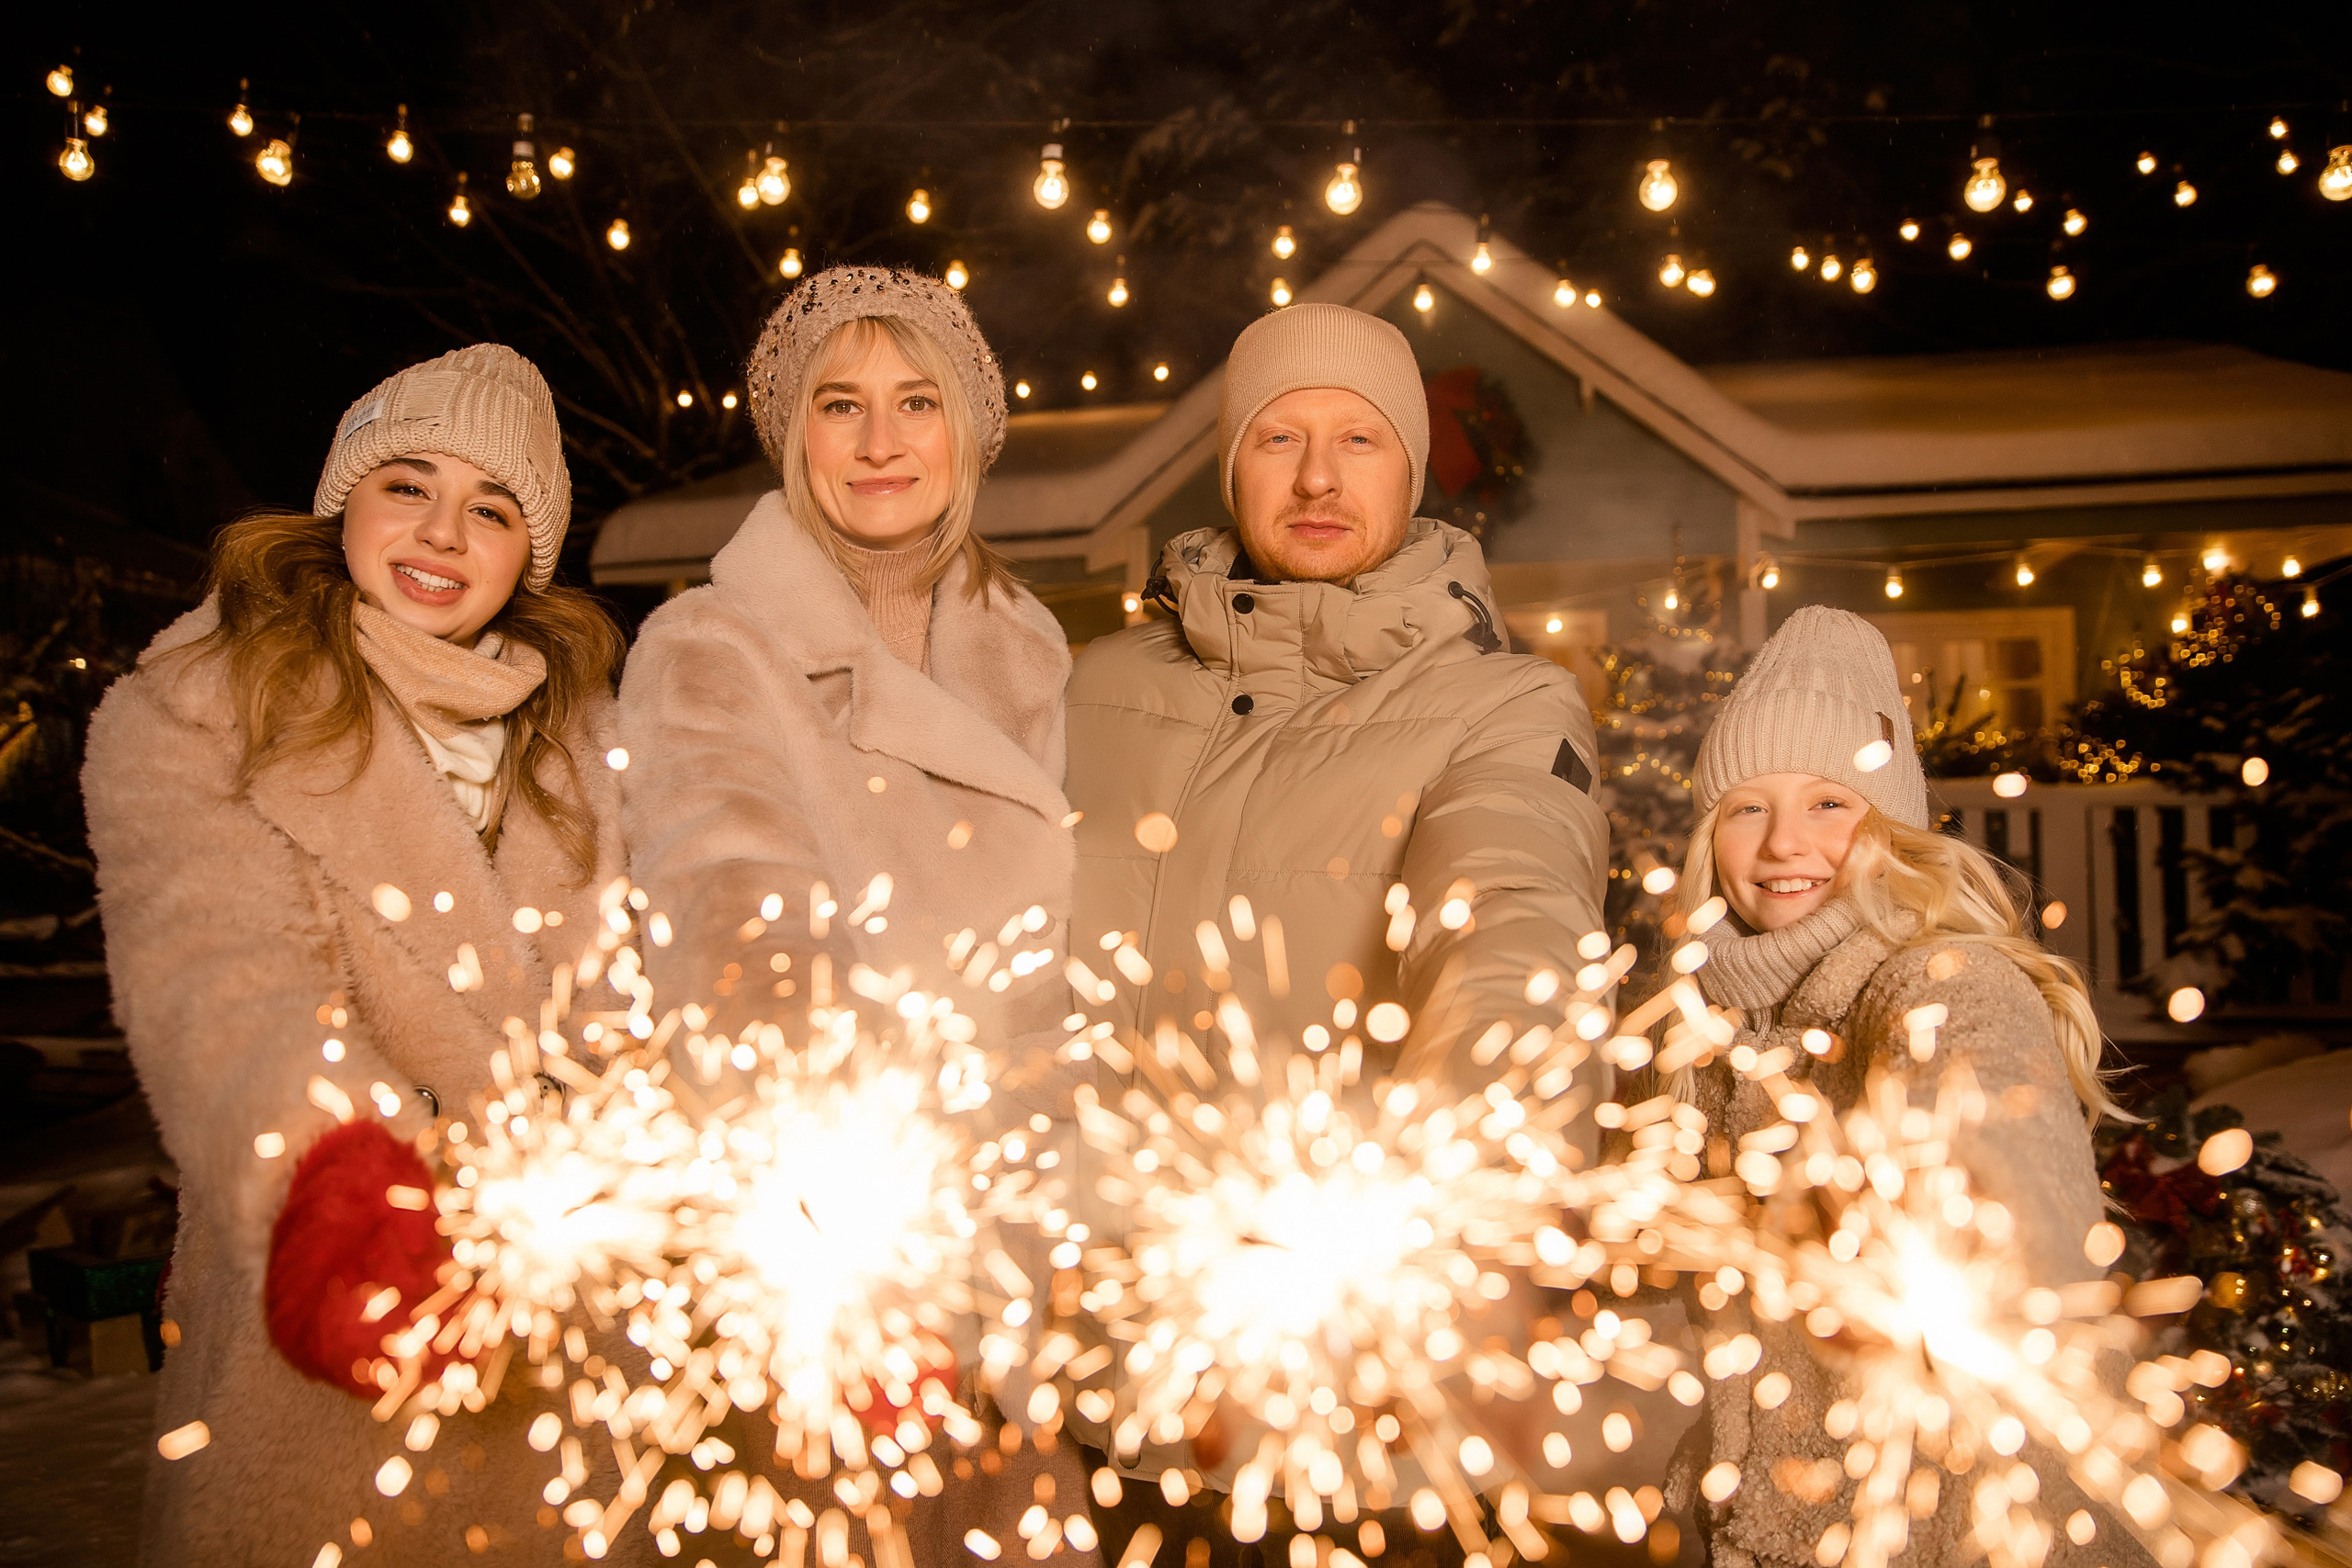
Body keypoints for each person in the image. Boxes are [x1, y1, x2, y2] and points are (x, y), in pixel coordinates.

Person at [82, 345, 638, 1564]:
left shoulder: (594, 746)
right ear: (342, 501)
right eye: (408, 484)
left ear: (529, 552)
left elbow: (648, 1003)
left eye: (492, 508)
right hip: (318, 1353)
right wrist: (338, 1172)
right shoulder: (200, 710)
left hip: (566, 1374)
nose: (444, 531)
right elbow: (216, 968)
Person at [616, 266, 1095, 1563]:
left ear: (969, 436)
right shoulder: (710, 645)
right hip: (830, 1249)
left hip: (1030, 1263)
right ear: (794, 437)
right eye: (841, 405)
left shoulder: (1030, 644)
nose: (882, 442)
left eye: (916, 402)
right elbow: (732, 919)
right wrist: (863, 1236)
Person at [1661, 604, 2147, 1568]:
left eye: (1829, 804)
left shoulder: (1935, 979)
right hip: (1768, 1511)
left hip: (1950, 1525)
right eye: (1747, 806)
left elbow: (1994, 1107)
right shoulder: (1712, 1022)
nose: (1782, 843)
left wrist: (1979, 1227)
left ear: (1892, 826)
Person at [1067, 301, 1611, 1090]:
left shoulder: (1509, 707)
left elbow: (1516, 916)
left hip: (1328, 1204)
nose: (1316, 478)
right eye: (1278, 437)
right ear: (1233, 470)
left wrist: (1494, 1125)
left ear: (1409, 473)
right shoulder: (1093, 689)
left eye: (1359, 438)